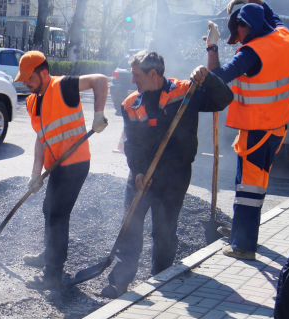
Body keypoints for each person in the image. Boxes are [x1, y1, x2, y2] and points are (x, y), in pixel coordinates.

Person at [100, 52, 233, 298]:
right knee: (130, 225)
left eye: (137, 76)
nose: (133, 82)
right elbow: (132, 145)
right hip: (142, 175)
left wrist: (208, 78)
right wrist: (138, 171)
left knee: (164, 230)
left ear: (153, 73)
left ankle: (160, 279)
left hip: (174, 176)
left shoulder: (186, 92)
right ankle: (119, 281)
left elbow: (224, 99)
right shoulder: (131, 103)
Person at [206, 0, 289, 260]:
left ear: (246, 25)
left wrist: (212, 46)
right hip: (277, 128)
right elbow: (269, 12)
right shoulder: (284, 36)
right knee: (257, 185)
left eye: (239, 32)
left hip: (257, 130)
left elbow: (216, 77)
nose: (239, 39)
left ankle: (243, 246)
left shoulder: (251, 53)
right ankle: (241, 231)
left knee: (248, 189)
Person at [16, 51, 109, 290]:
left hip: (76, 163)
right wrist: (35, 174)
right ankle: (49, 255)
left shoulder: (64, 85)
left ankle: (53, 275)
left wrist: (98, 114)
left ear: (44, 73)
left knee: (58, 215)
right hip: (56, 166)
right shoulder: (32, 101)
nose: (26, 83)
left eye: (29, 78)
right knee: (49, 209)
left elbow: (100, 80)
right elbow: (41, 139)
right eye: (24, 79)